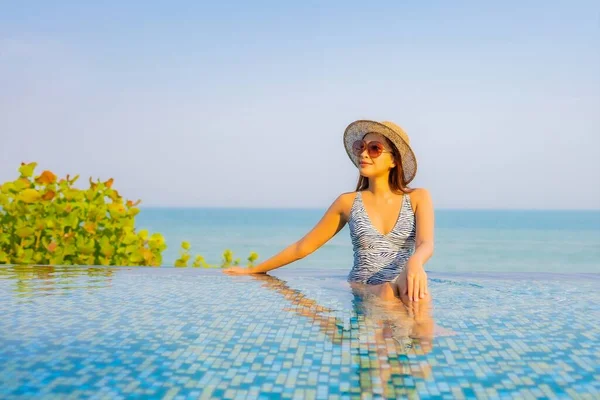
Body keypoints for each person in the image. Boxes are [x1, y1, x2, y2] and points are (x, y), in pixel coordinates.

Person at [223, 119, 434, 304]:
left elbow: (426, 244)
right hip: (365, 289)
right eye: (361, 146)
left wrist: (415, 262)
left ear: (394, 160)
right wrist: (254, 269)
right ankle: (405, 334)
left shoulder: (418, 197)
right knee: (387, 291)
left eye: (374, 148)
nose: (364, 153)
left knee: (416, 292)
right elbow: (302, 247)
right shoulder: (348, 202)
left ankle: (424, 334)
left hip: (407, 286)